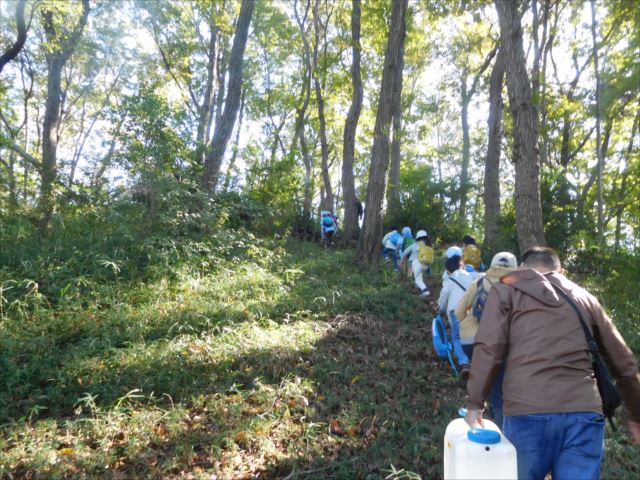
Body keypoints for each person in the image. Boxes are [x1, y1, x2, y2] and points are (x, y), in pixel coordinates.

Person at [465, 247, 640, 480]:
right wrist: (637, 414)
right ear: (561, 271)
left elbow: (489, 346)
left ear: (522, 268)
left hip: (526, 409)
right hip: (584, 413)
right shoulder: (585, 298)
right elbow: (623, 361)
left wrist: (475, 403)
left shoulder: (506, 290)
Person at [454, 251, 518, 428]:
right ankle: (500, 420)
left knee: (485, 374)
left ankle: (483, 401)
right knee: (500, 382)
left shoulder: (480, 282)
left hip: (471, 340)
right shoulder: (518, 288)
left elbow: (458, 313)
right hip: (503, 343)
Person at [438, 253, 474, 377]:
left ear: (448, 270)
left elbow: (443, 298)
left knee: (457, 338)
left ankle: (464, 363)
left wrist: (440, 309)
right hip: (472, 310)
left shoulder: (450, 280)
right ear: (461, 265)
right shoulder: (471, 276)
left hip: (456, 310)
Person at [400, 229, 432, 298]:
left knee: (417, 280)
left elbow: (405, 253)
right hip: (426, 265)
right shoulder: (428, 245)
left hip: (416, 263)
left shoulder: (415, 245)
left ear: (417, 237)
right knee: (419, 277)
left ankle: (426, 291)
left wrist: (401, 261)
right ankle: (418, 289)